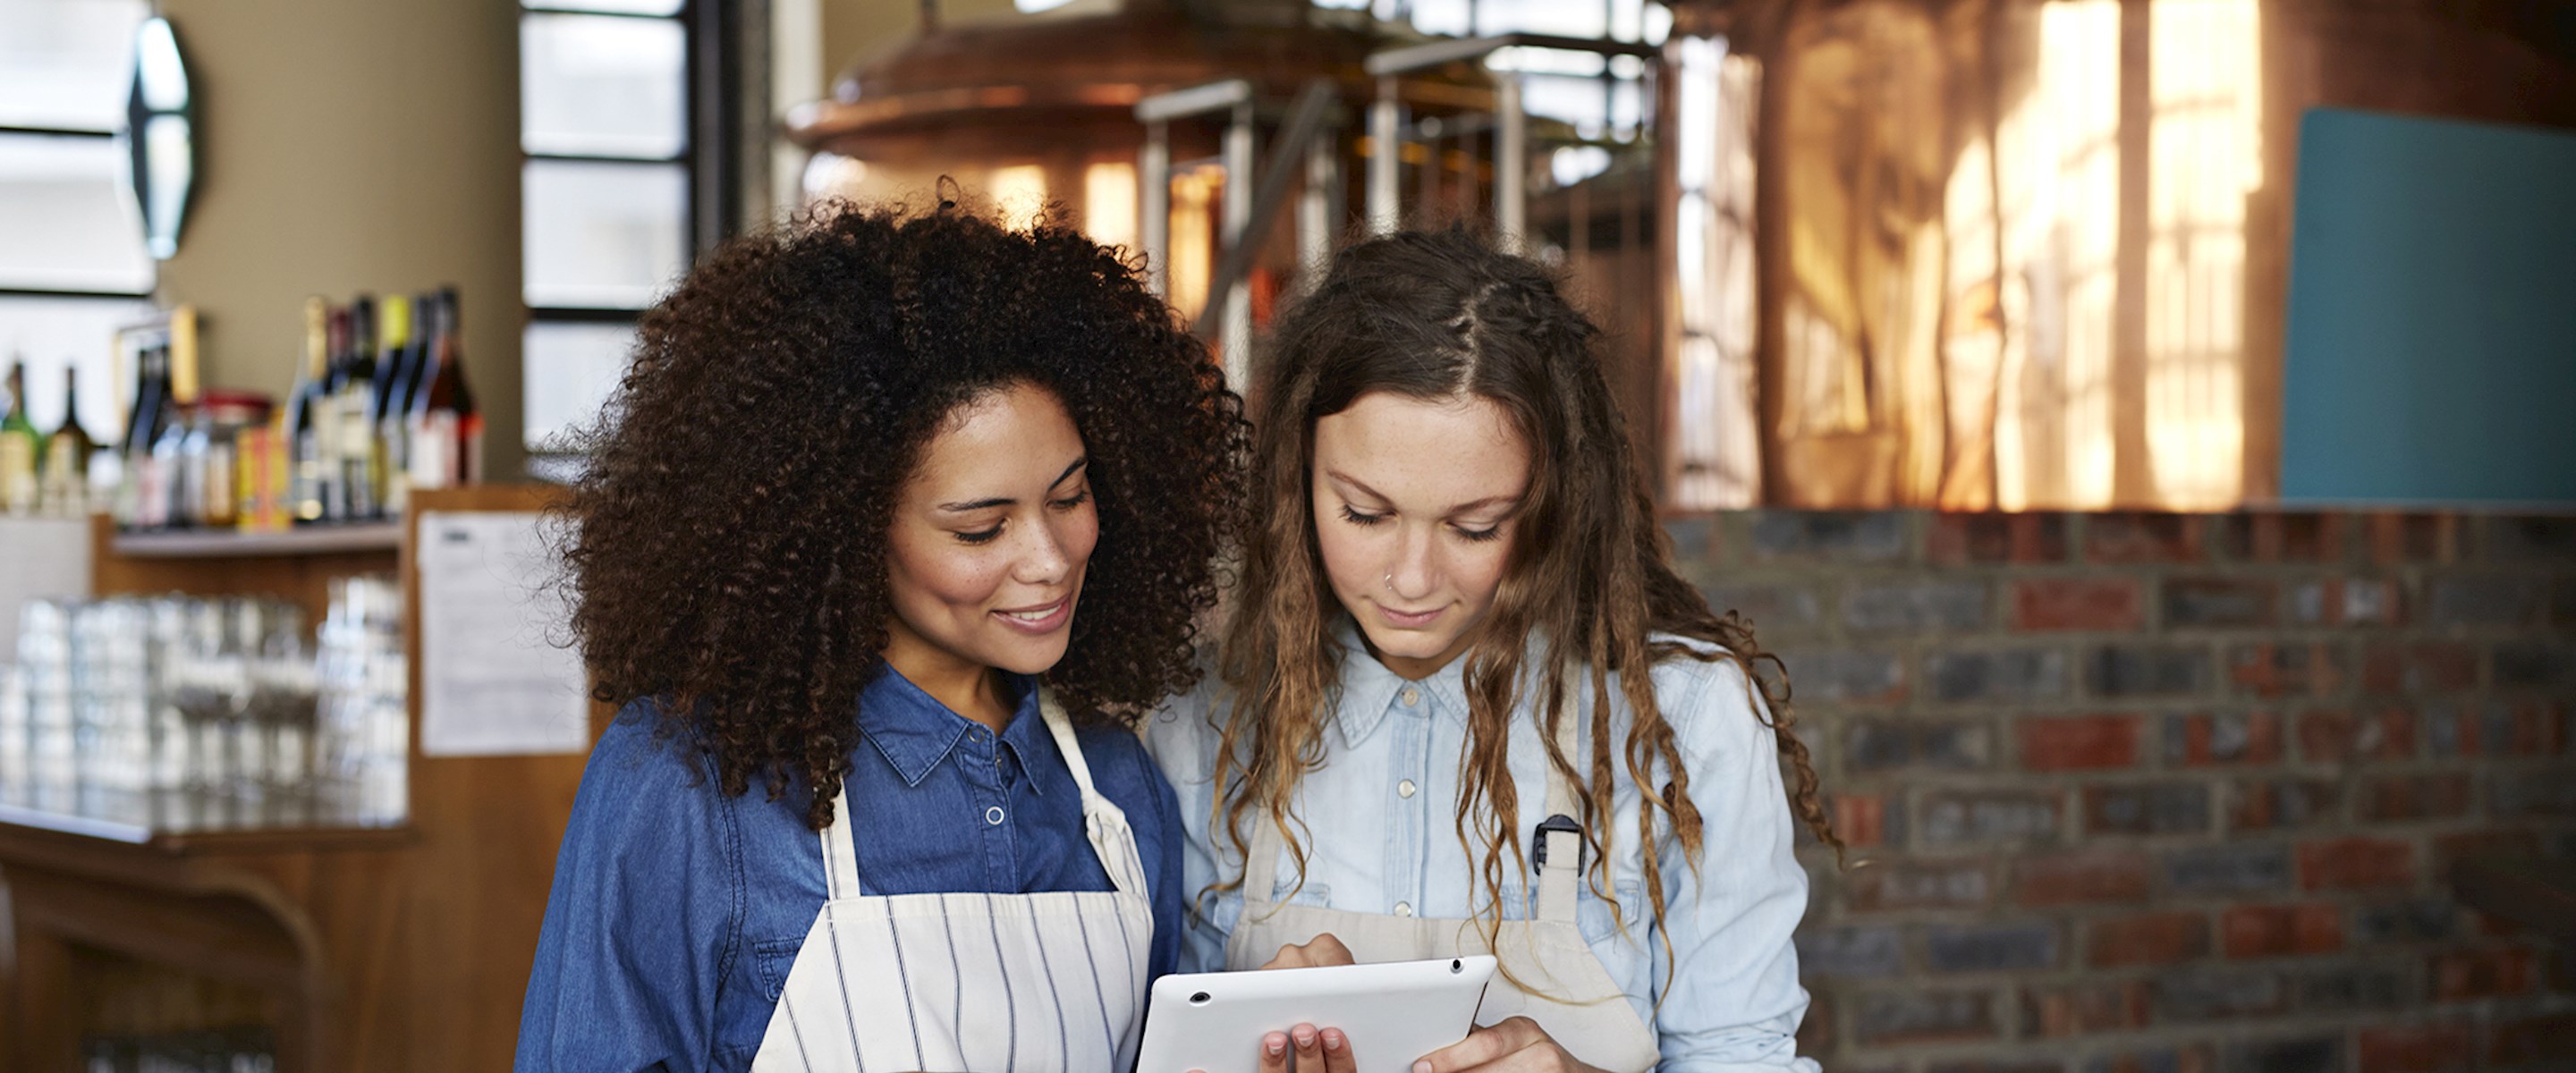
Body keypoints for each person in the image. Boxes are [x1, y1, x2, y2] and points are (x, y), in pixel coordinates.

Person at [518, 202, 1247, 1072]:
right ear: (849, 530)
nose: (1050, 561)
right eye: (981, 530)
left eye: (1069, 497)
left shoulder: (1117, 789)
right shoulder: (690, 783)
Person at [1147, 228, 1837, 1073]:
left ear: (1551, 504)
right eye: (1365, 513)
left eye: (1474, 527)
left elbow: (1744, 1057)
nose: (1411, 577)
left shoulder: (1684, 721)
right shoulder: (1204, 724)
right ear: (1297, 480)